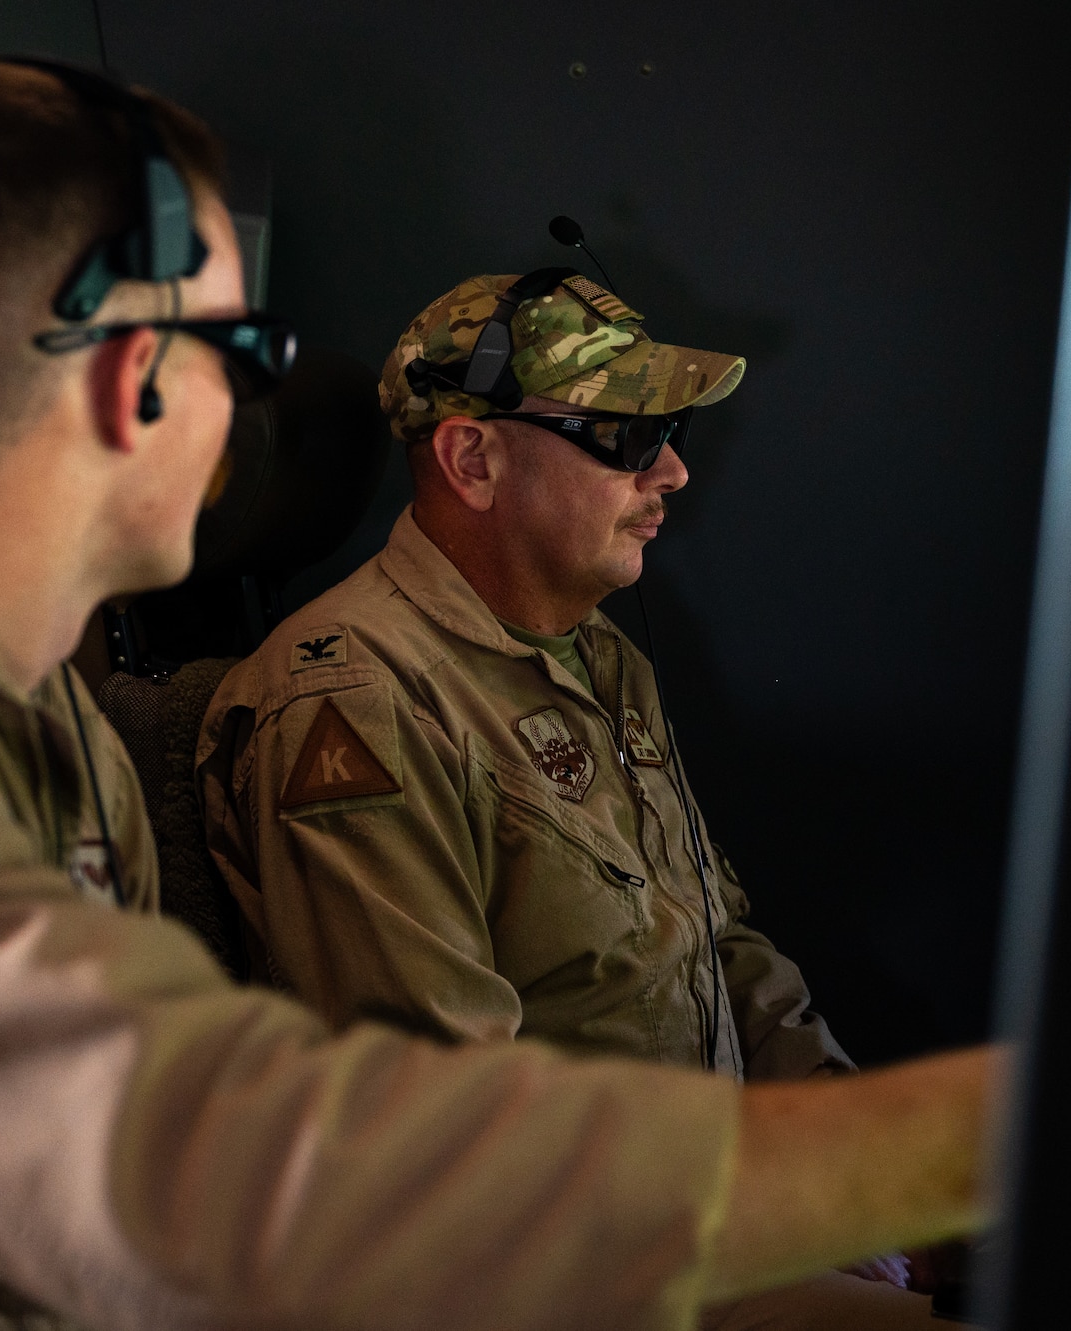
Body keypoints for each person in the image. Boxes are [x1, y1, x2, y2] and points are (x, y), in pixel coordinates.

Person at [0, 62, 998, 1331]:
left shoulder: (34, 719)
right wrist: (963, 1138)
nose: (255, 394)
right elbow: (226, 1170)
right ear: (132, 375)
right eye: (247, 335)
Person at [196, 275, 957, 1326]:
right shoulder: (356, 704)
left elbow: (719, 945)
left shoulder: (599, 656)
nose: (674, 470)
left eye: (671, 429)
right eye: (626, 436)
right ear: (472, 460)